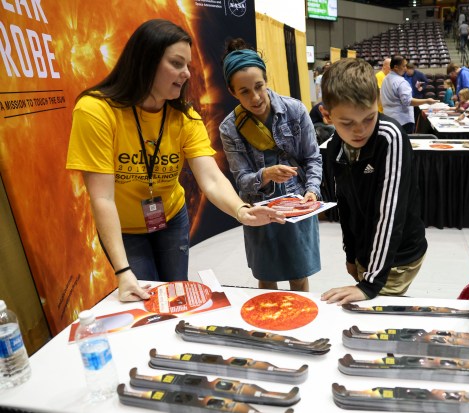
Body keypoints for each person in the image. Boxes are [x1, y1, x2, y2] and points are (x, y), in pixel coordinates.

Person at [66, 20, 283, 302]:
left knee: (175, 295)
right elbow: (102, 198)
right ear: (146, 60)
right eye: (177, 63)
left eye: (188, 65)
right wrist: (122, 270)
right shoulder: (95, 110)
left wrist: (241, 210)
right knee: (144, 297)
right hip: (126, 229)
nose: (186, 74)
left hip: (171, 218)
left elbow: (211, 178)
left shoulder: (184, 117)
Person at [318, 58, 428, 305]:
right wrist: (352, 254)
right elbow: (344, 204)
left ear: (377, 103)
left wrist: (370, 283)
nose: (360, 131)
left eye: (369, 118)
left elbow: (389, 214)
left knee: (372, 318)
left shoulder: (390, 137)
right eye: (347, 123)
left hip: (398, 256)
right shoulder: (336, 145)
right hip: (366, 253)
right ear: (327, 115)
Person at [219, 39, 323, 292]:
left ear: (266, 81)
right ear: (232, 92)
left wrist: (312, 190)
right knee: (266, 278)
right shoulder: (230, 128)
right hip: (259, 211)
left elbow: (312, 157)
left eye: (259, 87)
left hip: (297, 205)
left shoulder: (294, 110)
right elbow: (241, 179)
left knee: (299, 275)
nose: (255, 97)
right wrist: (265, 175)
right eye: (244, 92)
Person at [380, 56, 438, 134]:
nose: (405, 69)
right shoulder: (401, 82)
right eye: (403, 66)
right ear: (396, 67)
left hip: (388, 118)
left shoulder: (385, 79)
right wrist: (427, 101)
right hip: (403, 121)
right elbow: (408, 101)